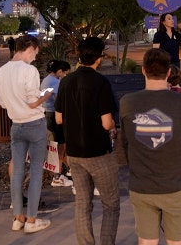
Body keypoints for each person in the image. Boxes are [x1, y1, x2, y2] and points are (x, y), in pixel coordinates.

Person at [120, 48, 181, 245]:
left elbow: (126, 141)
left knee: (146, 241)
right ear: (169, 73)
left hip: (142, 185)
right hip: (176, 185)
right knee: (177, 241)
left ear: (143, 71)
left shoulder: (127, 102)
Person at [55, 37, 121, 245]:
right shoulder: (100, 82)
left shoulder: (66, 81)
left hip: (74, 152)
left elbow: (58, 118)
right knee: (110, 203)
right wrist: (113, 128)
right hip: (99, 153)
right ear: (99, 58)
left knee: (82, 203)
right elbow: (106, 123)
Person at [0, 35, 52, 234]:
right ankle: (32, 220)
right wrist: (46, 95)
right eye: (35, 53)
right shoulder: (29, 70)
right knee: (36, 171)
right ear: (30, 48)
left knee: (17, 172)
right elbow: (32, 102)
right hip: (34, 124)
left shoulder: (1, 71)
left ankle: (18, 218)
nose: (35, 58)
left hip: (16, 126)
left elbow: (2, 103)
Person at [41, 60, 73, 188]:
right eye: (64, 72)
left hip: (47, 115)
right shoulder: (55, 82)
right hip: (54, 116)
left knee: (57, 146)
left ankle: (67, 170)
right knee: (61, 146)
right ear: (59, 71)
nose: (64, 74)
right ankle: (57, 177)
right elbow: (62, 101)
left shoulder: (46, 80)